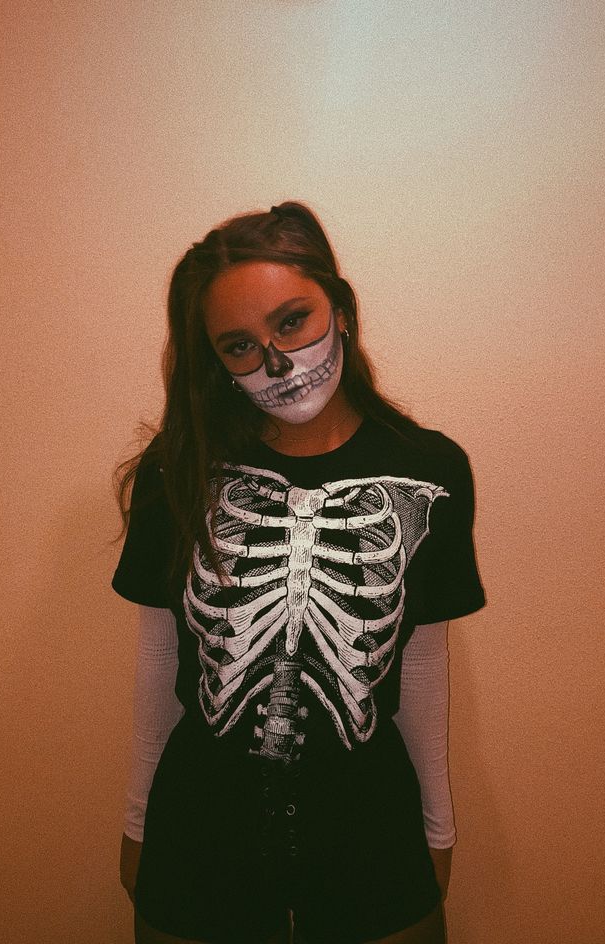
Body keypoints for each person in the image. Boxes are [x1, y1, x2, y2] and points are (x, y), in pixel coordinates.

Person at [112, 202, 485, 944]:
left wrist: (437, 830)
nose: (278, 362)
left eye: (292, 321)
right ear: (215, 360)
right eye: (240, 345)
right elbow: (162, 662)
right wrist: (136, 818)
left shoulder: (429, 471)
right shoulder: (177, 472)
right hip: (200, 820)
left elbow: (419, 662)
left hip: (368, 819)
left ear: (341, 310)